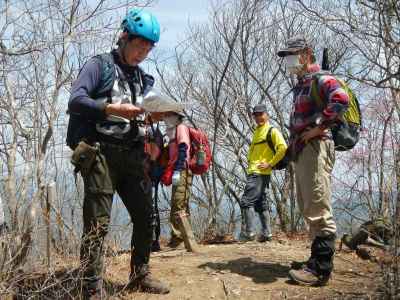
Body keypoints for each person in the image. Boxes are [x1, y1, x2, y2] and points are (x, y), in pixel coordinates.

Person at [67, 9, 169, 298]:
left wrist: (152, 118)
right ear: (124, 37)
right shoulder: (98, 65)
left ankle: (140, 274)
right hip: (101, 153)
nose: (142, 53)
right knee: (98, 224)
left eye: (148, 49)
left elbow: (140, 114)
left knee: (146, 215)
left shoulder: (140, 78)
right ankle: (91, 288)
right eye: (139, 45)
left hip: (133, 155)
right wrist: (111, 108)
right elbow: (76, 99)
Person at [277, 36, 350, 286]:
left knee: (318, 206)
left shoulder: (321, 79)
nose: (287, 61)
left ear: (307, 54)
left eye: (291, 55)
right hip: (304, 149)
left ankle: (320, 269)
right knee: (308, 206)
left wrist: (319, 127)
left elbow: (340, 99)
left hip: (316, 147)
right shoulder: (302, 83)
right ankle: (314, 260)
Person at [239, 104, 287, 243]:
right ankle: (267, 234)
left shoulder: (271, 131)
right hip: (256, 172)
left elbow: (283, 147)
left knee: (246, 201)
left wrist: (270, 164)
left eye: (261, 114)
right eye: (256, 115)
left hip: (259, 172)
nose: (258, 117)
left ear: (267, 115)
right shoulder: (257, 131)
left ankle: (249, 233)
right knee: (261, 203)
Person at [160, 109, 200, 252]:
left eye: (169, 114)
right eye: (165, 115)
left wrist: (178, 168)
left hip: (182, 169)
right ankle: (180, 237)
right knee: (179, 202)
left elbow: (184, 147)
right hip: (177, 170)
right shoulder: (170, 131)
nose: (166, 117)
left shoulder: (181, 128)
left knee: (179, 202)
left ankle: (179, 239)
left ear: (177, 117)